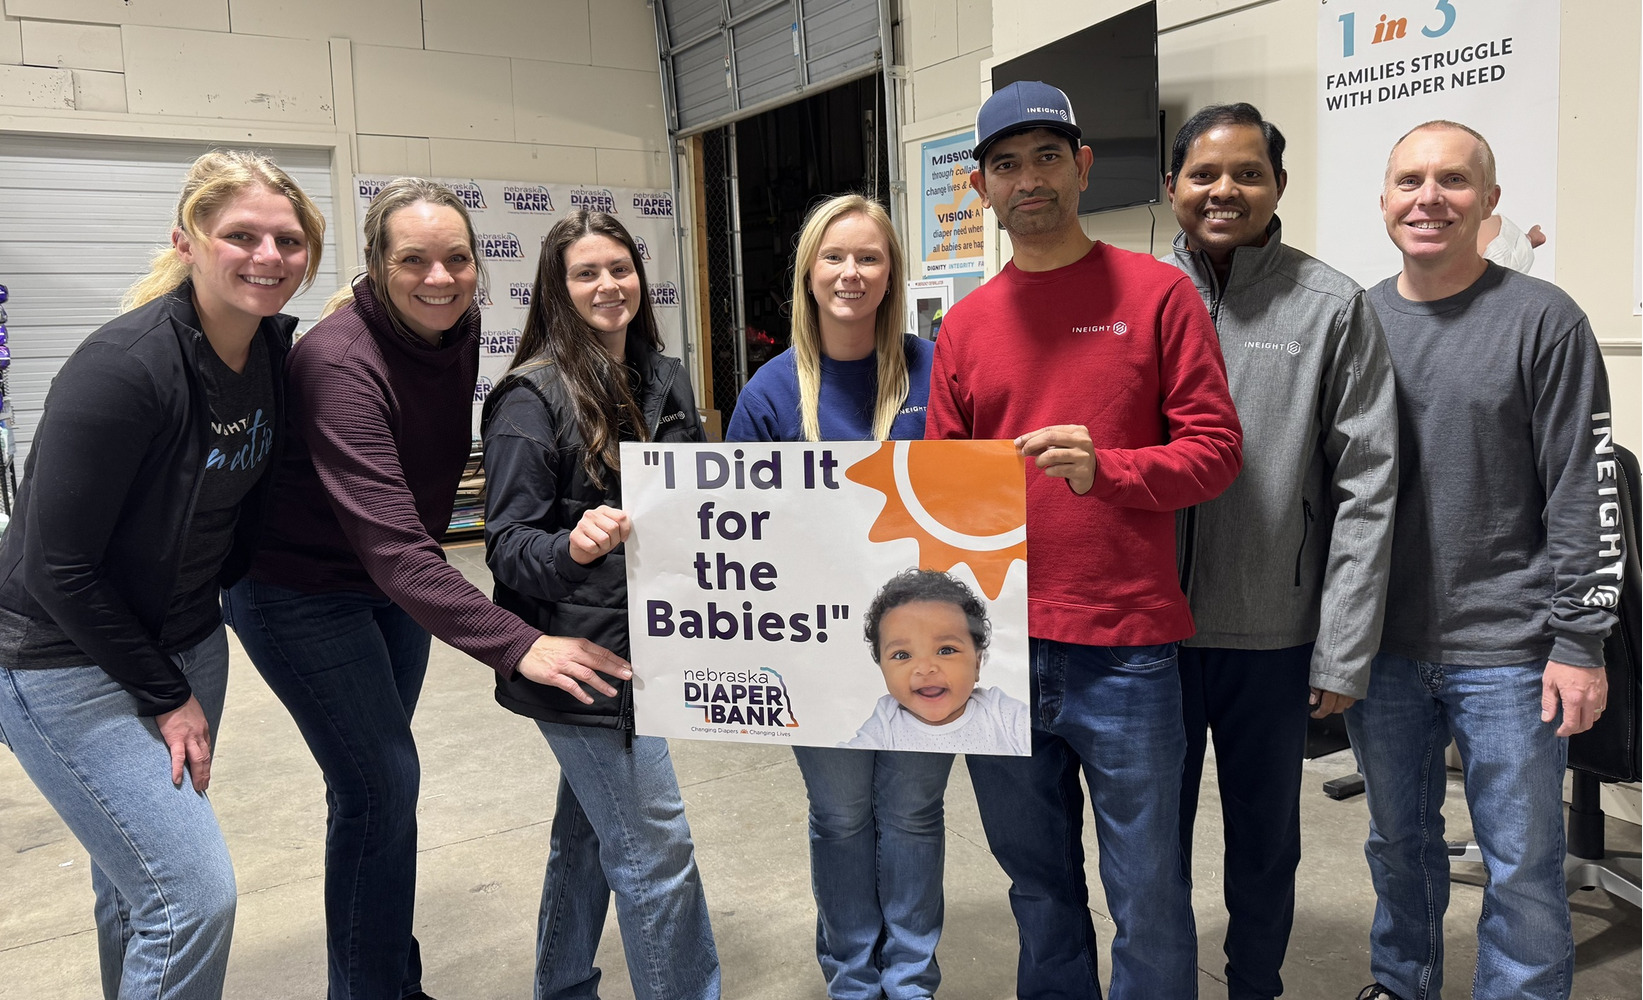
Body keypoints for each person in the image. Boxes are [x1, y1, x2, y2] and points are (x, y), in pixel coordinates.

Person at [223, 178, 630, 1000]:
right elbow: (398, 550)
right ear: (375, 267)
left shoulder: (458, 324)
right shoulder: (337, 363)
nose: (438, 279)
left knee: (378, 788)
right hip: (299, 590)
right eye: (413, 261)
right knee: (380, 783)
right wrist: (521, 644)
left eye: (456, 259)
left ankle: (385, 980)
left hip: (386, 591)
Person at [925, 80, 1243, 999]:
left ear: (1084, 167)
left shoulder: (1158, 295)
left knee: (1147, 891)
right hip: (998, 652)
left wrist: (1111, 468)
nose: (1029, 179)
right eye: (1006, 164)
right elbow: (941, 488)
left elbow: (1215, 455)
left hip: (1129, 651)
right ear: (982, 187)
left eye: (1047, 158)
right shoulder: (967, 327)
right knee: (1038, 886)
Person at [0, 149, 323, 1000]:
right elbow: (54, 565)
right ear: (187, 241)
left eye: (288, 241)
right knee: (191, 898)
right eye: (241, 235)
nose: (268, 257)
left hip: (185, 640)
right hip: (61, 660)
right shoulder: (126, 366)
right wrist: (164, 692)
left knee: (132, 886)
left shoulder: (269, 356)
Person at [1350, 121, 1618, 1000]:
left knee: (1521, 866)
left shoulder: (1543, 320)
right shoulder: (1356, 321)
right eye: (1409, 181)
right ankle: (1403, 984)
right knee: (1397, 846)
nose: (1429, 198)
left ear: (1489, 203)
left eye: (1454, 181)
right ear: (1384, 200)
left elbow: (1583, 489)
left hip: (1510, 651)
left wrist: (1580, 641)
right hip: (1380, 649)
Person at [1162, 103, 1399, 1000]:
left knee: (1265, 839)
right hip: (1153, 636)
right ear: (1172, 186)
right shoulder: (1137, 299)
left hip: (1273, 633)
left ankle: (1253, 985)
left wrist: (1342, 645)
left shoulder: (1330, 304)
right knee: (1151, 838)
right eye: (1203, 174)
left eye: (1247, 174)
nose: (1224, 190)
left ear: (1277, 188)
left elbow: (1367, 485)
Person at [480, 209, 719, 1000]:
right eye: (586, 272)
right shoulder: (529, 397)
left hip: (658, 646)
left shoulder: (663, 375)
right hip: (586, 662)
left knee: (585, 843)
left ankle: (561, 986)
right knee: (658, 854)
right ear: (557, 287)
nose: (608, 285)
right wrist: (573, 544)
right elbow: (508, 546)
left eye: (619, 268)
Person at [726, 193, 954, 1000]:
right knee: (842, 819)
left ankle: (911, 979)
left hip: (926, 647)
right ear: (808, 274)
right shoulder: (769, 391)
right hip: (812, 652)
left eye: (868, 257)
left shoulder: (936, 371)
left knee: (913, 816)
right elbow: (734, 528)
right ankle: (855, 981)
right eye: (834, 257)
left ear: (891, 272)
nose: (850, 273)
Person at [844, 568, 1030, 755]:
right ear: (881, 667)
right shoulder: (886, 722)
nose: (925, 669)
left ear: (977, 663)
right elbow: (845, 757)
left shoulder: (1001, 714)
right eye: (902, 655)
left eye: (946, 650)